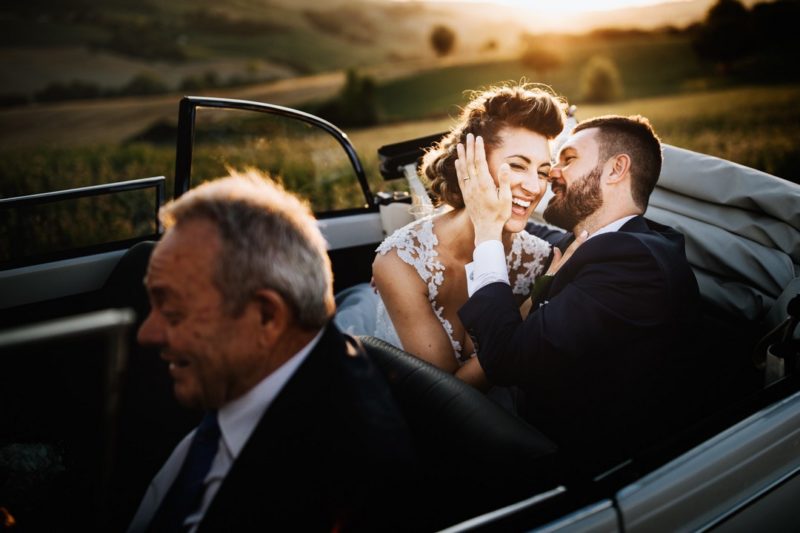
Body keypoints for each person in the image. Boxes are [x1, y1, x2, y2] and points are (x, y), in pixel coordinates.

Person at [127, 170, 416, 532]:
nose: (147, 334)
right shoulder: (250, 383)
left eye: (172, 312)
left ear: (266, 316)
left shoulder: (334, 483)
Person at [455, 115, 702, 475]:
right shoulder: (598, 240)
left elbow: (507, 360)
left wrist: (487, 233)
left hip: (578, 460)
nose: (552, 172)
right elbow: (540, 240)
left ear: (616, 169)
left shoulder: (636, 264)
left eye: (567, 159)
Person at [338, 84, 571, 389]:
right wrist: (529, 313)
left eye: (542, 171)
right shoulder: (401, 262)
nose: (533, 186)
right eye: (517, 165)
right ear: (469, 165)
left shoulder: (539, 261)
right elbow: (446, 396)